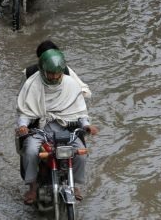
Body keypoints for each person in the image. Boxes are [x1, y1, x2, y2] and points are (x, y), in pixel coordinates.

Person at [16, 49, 98, 204]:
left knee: (81, 154)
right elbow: (25, 112)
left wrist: (86, 126)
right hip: (40, 130)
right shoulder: (32, 84)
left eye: (57, 74)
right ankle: (32, 186)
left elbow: (80, 111)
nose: (54, 77)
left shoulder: (71, 84)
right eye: (50, 73)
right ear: (42, 71)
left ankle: (74, 184)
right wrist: (23, 126)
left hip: (66, 130)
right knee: (30, 151)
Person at [23, 40, 91, 99]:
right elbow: (21, 96)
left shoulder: (65, 70)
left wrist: (74, 94)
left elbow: (86, 92)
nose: (55, 76)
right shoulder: (28, 73)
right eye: (50, 73)